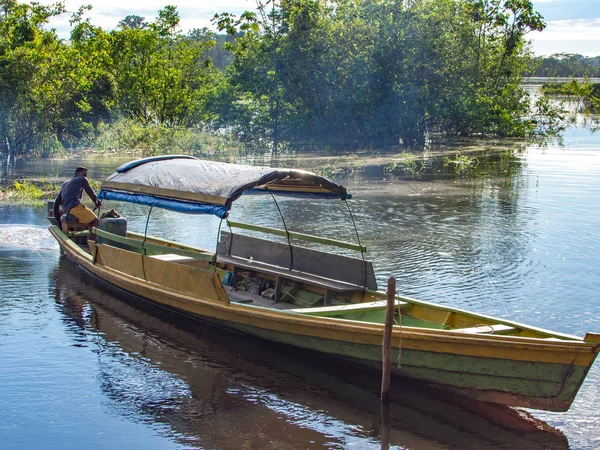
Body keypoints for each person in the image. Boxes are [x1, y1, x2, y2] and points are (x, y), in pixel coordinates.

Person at [54, 167, 102, 239]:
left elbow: (56, 203)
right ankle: (92, 245)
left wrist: (58, 220)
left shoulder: (65, 184)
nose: (85, 176)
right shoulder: (82, 179)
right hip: (75, 208)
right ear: (78, 172)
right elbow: (91, 192)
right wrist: (97, 202)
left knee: (87, 219)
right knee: (95, 221)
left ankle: (78, 240)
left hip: (67, 210)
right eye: (84, 173)